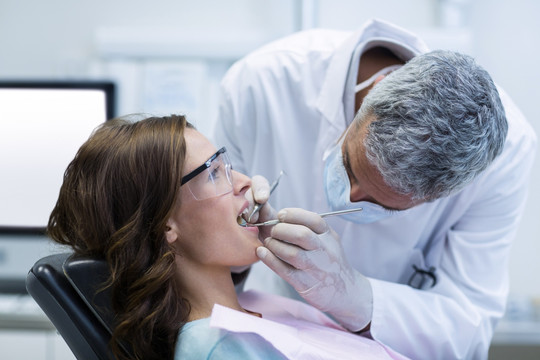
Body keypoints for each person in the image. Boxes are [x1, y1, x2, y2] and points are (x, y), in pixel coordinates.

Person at [212, 18, 537, 359]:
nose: (350, 198)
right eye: (351, 167)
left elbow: (468, 327)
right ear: (378, 86)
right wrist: (237, 243)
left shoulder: (505, 156)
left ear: (439, 197)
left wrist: (355, 296)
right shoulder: (264, 82)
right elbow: (200, 243)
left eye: (384, 206)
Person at [46, 114, 408, 360]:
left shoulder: (258, 304)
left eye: (228, 165)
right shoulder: (216, 345)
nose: (246, 181)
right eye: (215, 173)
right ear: (163, 225)